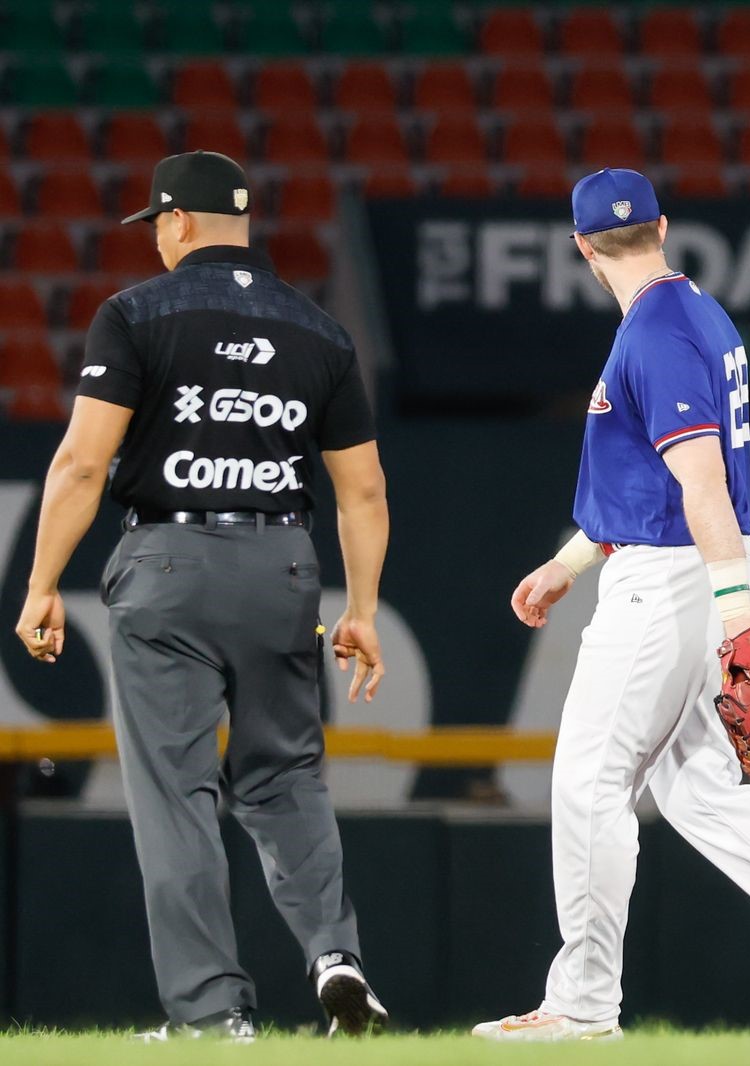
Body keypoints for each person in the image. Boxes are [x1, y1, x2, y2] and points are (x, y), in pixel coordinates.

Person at [474, 168, 750, 1042]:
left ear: (580, 248)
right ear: (663, 227)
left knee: (589, 781)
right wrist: (570, 563)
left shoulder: (655, 334)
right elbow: (652, 480)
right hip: (694, 566)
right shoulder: (695, 316)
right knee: (697, 790)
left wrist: (736, 619)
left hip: (681, 577)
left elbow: (701, 484)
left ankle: (583, 1004)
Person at [12, 151, 391, 1041]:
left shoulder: (135, 314)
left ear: (175, 223)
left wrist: (38, 584)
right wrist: (363, 609)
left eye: (156, 227)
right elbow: (364, 492)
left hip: (170, 564)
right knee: (287, 776)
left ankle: (213, 1012)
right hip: (282, 569)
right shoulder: (320, 331)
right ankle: (337, 956)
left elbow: (81, 463)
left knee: (176, 792)